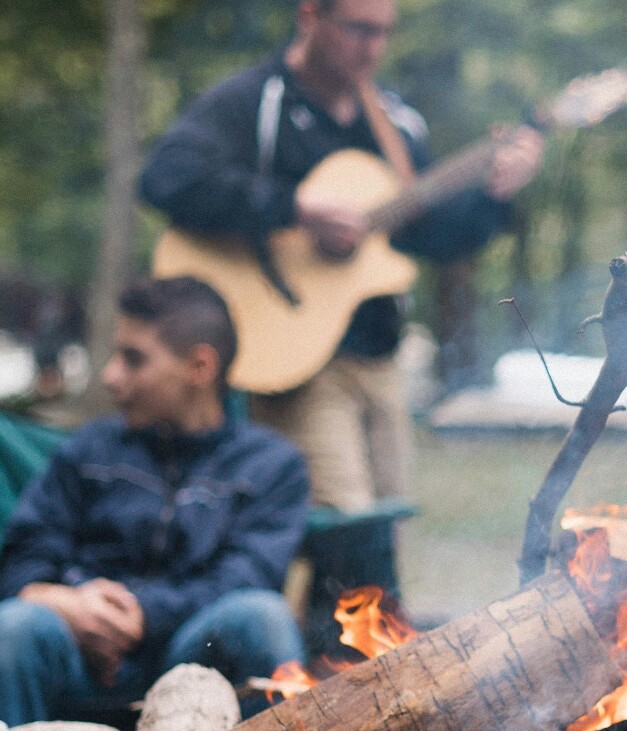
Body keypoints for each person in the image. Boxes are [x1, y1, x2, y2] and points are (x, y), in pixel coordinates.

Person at [139, 0, 544, 511]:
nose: (371, 47)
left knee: (386, 522)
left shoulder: (396, 124)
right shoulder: (253, 101)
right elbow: (166, 178)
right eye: (357, 29)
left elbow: (430, 240)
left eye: (383, 33)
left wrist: (493, 198)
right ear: (310, 16)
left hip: (379, 359)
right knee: (343, 520)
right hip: (295, 357)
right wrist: (293, 208)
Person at [0, 276, 310, 726]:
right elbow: (24, 557)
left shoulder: (272, 465)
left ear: (199, 367)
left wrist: (142, 614)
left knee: (262, 617)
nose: (110, 376)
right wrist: (64, 602)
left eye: (134, 359)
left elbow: (246, 577)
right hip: (80, 656)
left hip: (191, 659)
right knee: (15, 626)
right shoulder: (89, 448)